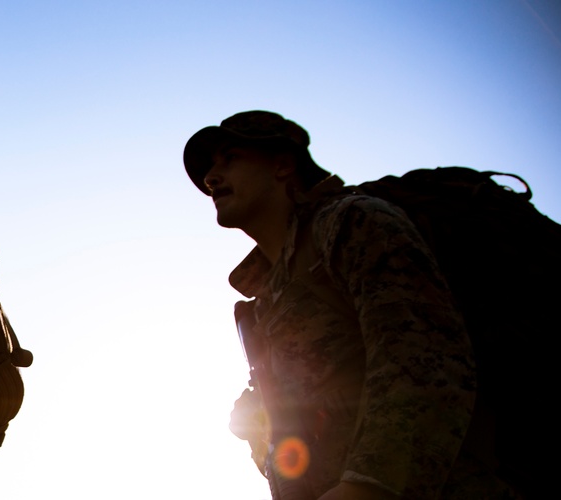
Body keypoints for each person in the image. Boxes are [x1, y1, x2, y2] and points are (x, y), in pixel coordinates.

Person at [183, 111, 523, 499]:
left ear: (282, 165)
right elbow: (305, 439)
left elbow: (426, 358)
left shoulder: (352, 224)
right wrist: (259, 433)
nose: (211, 177)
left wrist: (366, 487)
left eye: (230, 159)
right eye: (210, 168)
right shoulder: (264, 303)